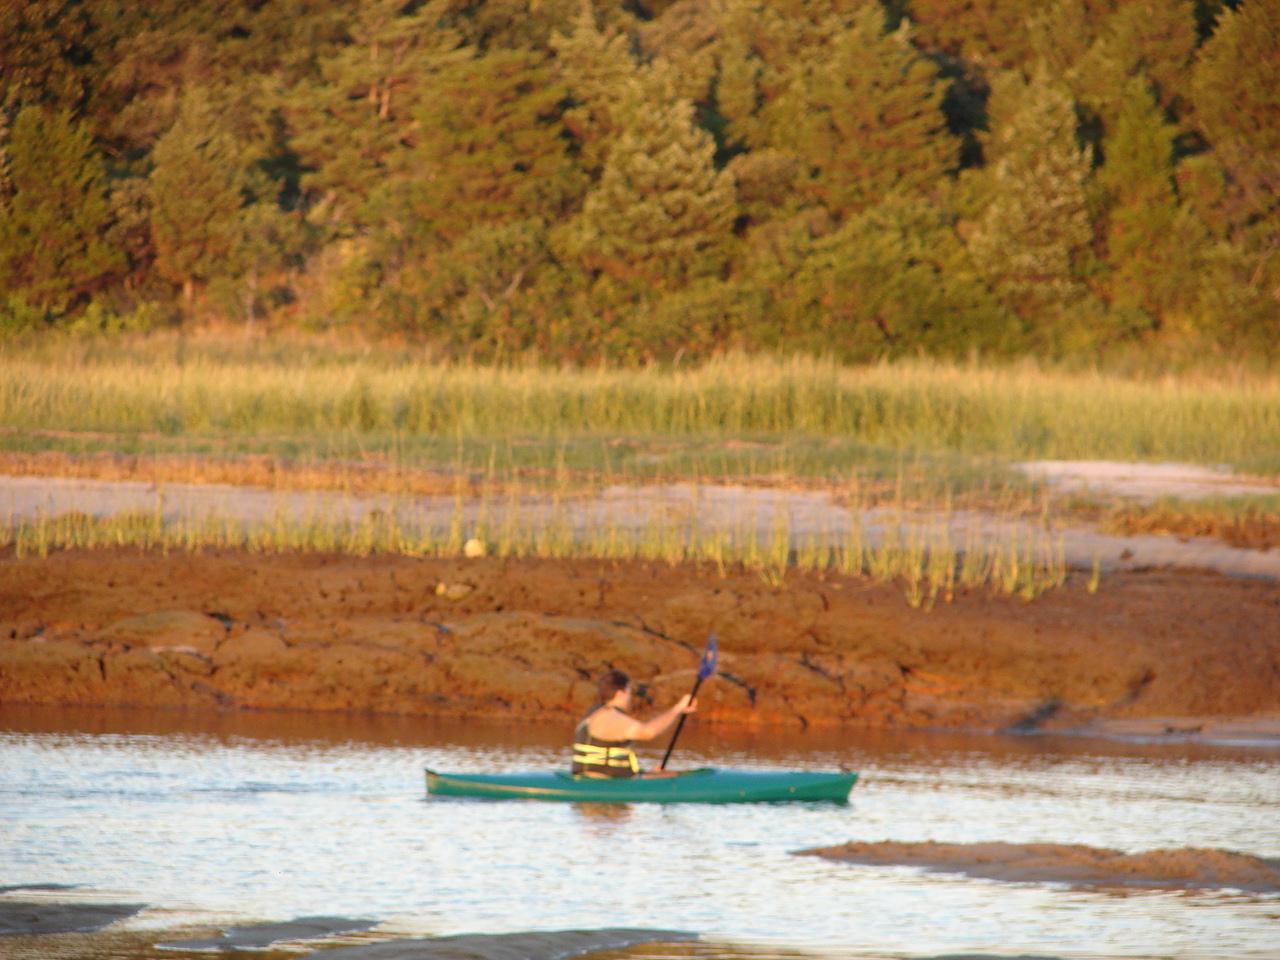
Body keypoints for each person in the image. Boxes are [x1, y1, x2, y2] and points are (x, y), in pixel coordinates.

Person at [571, 669, 696, 778]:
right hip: (604, 784)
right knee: (673, 776)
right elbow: (648, 732)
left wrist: (649, 774)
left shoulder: (593, 714)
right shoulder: (610, 718)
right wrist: (678, 709)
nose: (630, 697)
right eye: (629, 691)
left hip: (596, 779)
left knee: (661, 774)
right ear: (620, 693)